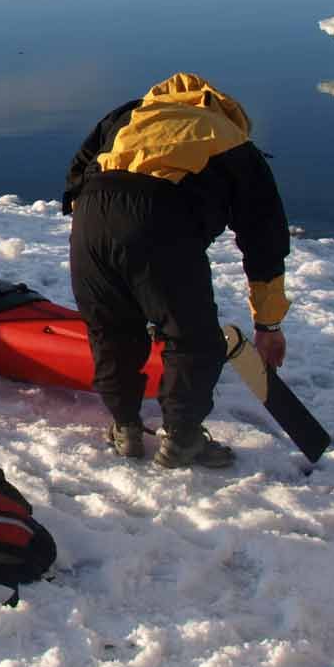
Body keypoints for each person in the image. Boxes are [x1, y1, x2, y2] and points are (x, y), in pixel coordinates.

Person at [63, 72, 290, 469]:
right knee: (193, 341)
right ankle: (183, 440)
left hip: (91, 218)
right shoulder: (233, 140)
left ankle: (126, 428)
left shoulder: (129, 114)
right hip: (159, 219)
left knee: (111, 330)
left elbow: (76, 175)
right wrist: (268, 325)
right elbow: (264, 240)